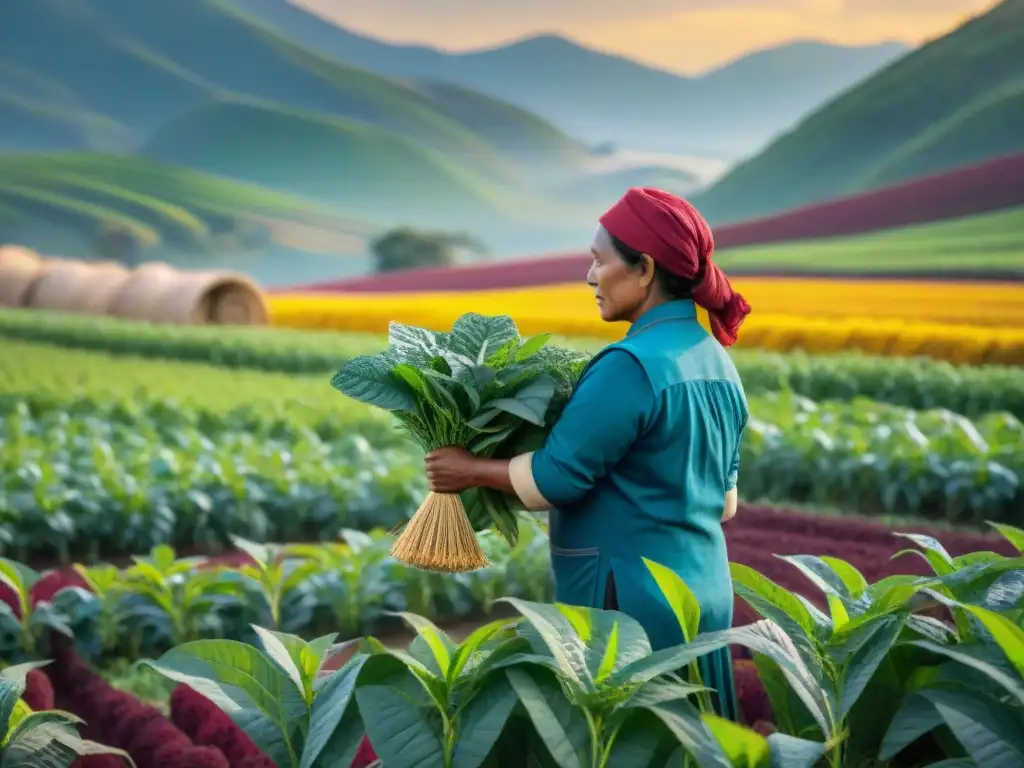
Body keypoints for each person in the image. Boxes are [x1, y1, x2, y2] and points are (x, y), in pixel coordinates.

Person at [425, 187, 751, 720]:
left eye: (599, 260)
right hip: (705, 592)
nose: (590, 275)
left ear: (644, 269)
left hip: (631, 606)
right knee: (695, 745)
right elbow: (727, 501)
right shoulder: (714, 359)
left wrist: (470, 470)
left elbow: (558, 479)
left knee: (621, 744)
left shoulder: (629, 363)